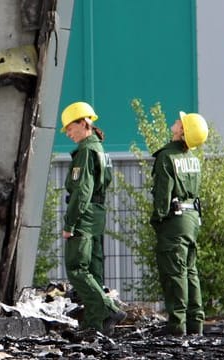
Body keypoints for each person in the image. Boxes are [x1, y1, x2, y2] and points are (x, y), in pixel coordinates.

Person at [60, 101, 126, 336]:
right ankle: (96, 325)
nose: (68, 133)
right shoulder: (100, 149)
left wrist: (70, 224)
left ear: (83, 123)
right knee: (94, 270)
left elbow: (82, 191)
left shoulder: (86, 151)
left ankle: (109, 309)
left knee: (77, 268)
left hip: (85, 215)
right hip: (97, 214)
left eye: (70, 128)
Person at [150, 111, 208, 336]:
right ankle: (196, 324)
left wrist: (158, 220)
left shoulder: (167, 157)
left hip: (174, 221)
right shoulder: (191, 157)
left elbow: (162, 196)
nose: (175, 122)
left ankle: (176, 325)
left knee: (174, 272)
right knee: (190, 271)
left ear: (182, 131)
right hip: (192, 218)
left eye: (179, 122)